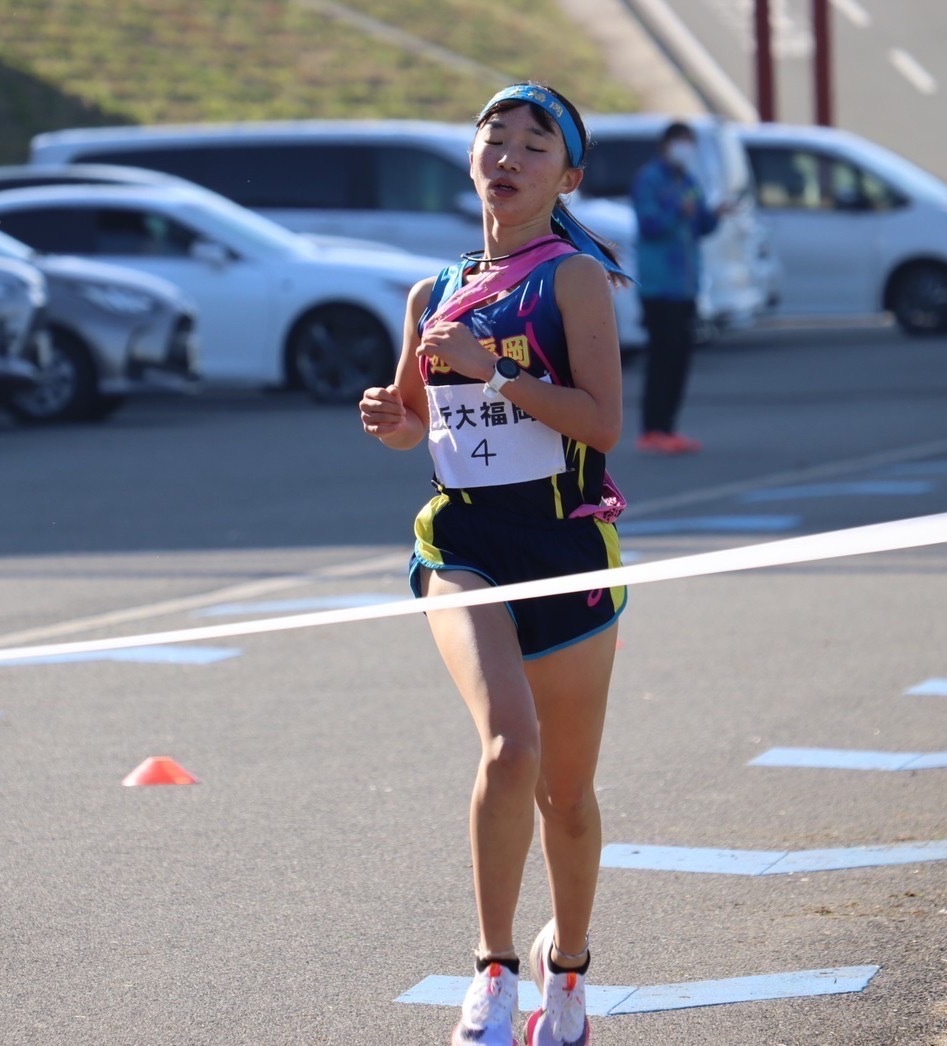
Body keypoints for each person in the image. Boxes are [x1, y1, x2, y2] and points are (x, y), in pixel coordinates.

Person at [358, 82, 629, 1046]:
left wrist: (497, 371)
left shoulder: (573, 281)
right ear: (473, 160)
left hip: (563, 546)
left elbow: (602, 424)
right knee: (510, 748)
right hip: (463, 543)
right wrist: (392, 420)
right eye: (495, 139)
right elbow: (416, 422)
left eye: (534, 145)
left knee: (567, 794)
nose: (508, 157)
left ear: (567, 178)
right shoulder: (430, 294)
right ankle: (493, 969)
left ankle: (569, 971)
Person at [630, 121, 723, 455]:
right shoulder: (650, 179)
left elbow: (702, 224)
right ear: (666, 145)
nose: (686, 149)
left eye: (690, 142)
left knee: (681, 357)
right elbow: (649, 225)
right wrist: (676, 210)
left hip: (686, 285)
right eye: (681, 141)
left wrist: (715, 214)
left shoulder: (688, 181)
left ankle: (668, 427)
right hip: (659, 286)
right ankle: (651, 429)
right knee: (662, 356)